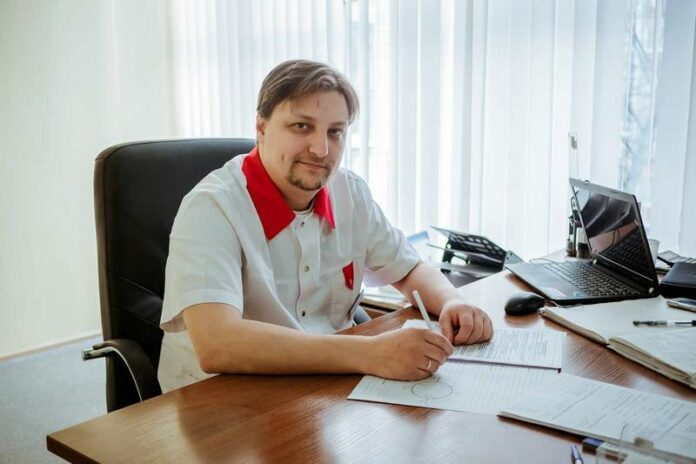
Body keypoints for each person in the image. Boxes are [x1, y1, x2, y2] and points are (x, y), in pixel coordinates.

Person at [158, 59, 493, 392]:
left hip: (320, 386)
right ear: (261, 128)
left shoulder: (351, 193)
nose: (321, 149)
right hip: (221, 399)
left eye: (335, 132)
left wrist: (451, 302)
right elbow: (218, 343)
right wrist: (371, 353)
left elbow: (408, 269)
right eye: (302, 126)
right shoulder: (211, 207)